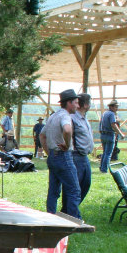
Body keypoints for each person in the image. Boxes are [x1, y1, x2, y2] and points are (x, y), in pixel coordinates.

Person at [40, 89, 81, 219]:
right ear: (69, 103)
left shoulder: (53, 116)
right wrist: (67, 145)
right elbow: (68, 130)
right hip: (64, 156)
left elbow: (42, 135)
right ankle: (74, 220)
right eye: (76, 102)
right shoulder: (65, 116)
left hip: (53, 156)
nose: (77, 106)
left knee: (53, 191)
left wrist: (48, 152)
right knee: (74, 190)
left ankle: (50, 217)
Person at [70, 93, 95, 208]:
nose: (90, 105)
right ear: (85, 104)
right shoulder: (73, 118)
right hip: (76, 155)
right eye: (89, 102)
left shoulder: (84, 118)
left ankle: (71, 210)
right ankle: (69, 211)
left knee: (86, 184)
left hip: (84, 156)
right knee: (75, 187)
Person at [99, 99, 124, 173]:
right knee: (108, 154)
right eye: (116, 107)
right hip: (110, 135)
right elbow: (113, 124)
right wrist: (120, 133)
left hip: (103, 135)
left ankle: (101, 167)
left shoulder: (104, 113)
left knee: (104, 152)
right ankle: (104, 169)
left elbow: (100, 124)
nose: (117, 109)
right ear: (112, 107)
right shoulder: (112, 114)